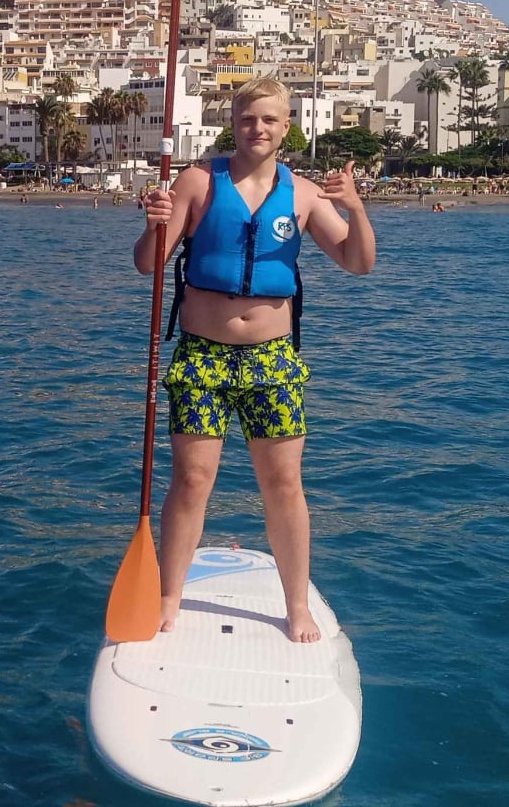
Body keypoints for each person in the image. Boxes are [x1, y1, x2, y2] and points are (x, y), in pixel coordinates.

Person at [135, 76, 376, 643]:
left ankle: (297, 604)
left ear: (286, 126)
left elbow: (358, 262)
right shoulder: (197, 181)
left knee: (284, 483)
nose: (257, 128)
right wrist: (154, 226)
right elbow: (148, 264)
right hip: (203, 356)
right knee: (192, 480)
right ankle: (169, 594)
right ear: (233, 124)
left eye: (269, 119)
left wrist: (356, 208)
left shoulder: (305, 194)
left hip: (273, 360)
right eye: (247, 119)